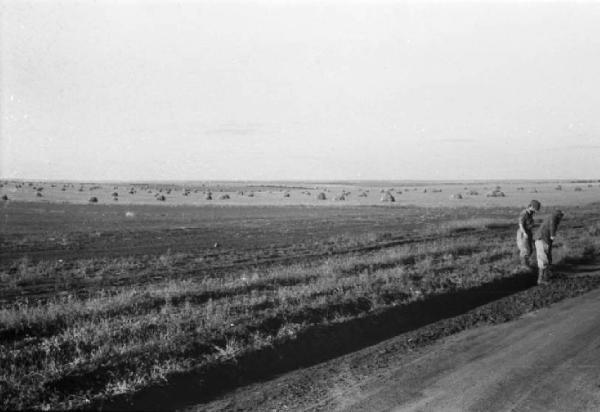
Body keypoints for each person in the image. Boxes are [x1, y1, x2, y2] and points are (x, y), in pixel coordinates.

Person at [534, 209, 565, 285]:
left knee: (546, 259)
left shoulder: (551, 218)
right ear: (559, 216)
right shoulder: (553, 219)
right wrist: (552, 236)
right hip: (542, 240)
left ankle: (546, 277)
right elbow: (552, 228)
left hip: (543, 240)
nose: (561, 218)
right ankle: (541, 279)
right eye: (561, 216)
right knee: (543, 260)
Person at [516, 200, 541, 267]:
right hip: (523, 233)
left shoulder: (531, 213)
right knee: (525, 250)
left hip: (528, 232)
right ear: (532, 207)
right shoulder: (524, 213)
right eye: (536, 209)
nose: (536, 211)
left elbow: (530, 223)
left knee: (530, 250)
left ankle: (526, 264)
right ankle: (524, 266)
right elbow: (521, 224)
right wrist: (524, 233)